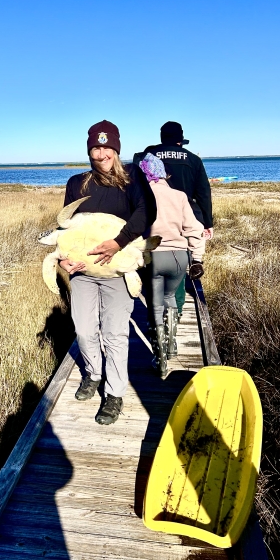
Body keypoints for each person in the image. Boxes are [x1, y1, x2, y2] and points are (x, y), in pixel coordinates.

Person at [60, 120, 156, 425]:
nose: (101, 154)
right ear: (89, 150)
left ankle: (114, 393)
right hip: (84, 272)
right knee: (84, 330)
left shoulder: (133, 178)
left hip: (117, 273)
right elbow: (67, 228)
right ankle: (93, 374)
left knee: (115, 334)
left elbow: (146, 212)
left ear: (116, 149)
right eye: (95, 148)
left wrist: (118, 242)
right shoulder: (77, 183)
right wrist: (63, 260)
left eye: (107, 147)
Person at [133, 121, 213, 314]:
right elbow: (203, 193)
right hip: (186, 216)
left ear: (161, 138)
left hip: (152, 218)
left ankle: (155, 311)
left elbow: (132, 185)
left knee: (151, 265)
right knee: (180, 263)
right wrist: (207, 223)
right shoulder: (193, 159)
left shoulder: (146, 156)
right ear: (180, 140)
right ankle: (176, 309)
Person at [137, 152, 205, 375]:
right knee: (171, 298)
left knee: (155, 305)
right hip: (179, 256)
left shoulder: (141, 195)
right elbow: (194, 229)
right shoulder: (179, 196)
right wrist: (197, 258)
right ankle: (172, 345)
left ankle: (160, 361)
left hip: (153, 257)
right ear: (163, 174)